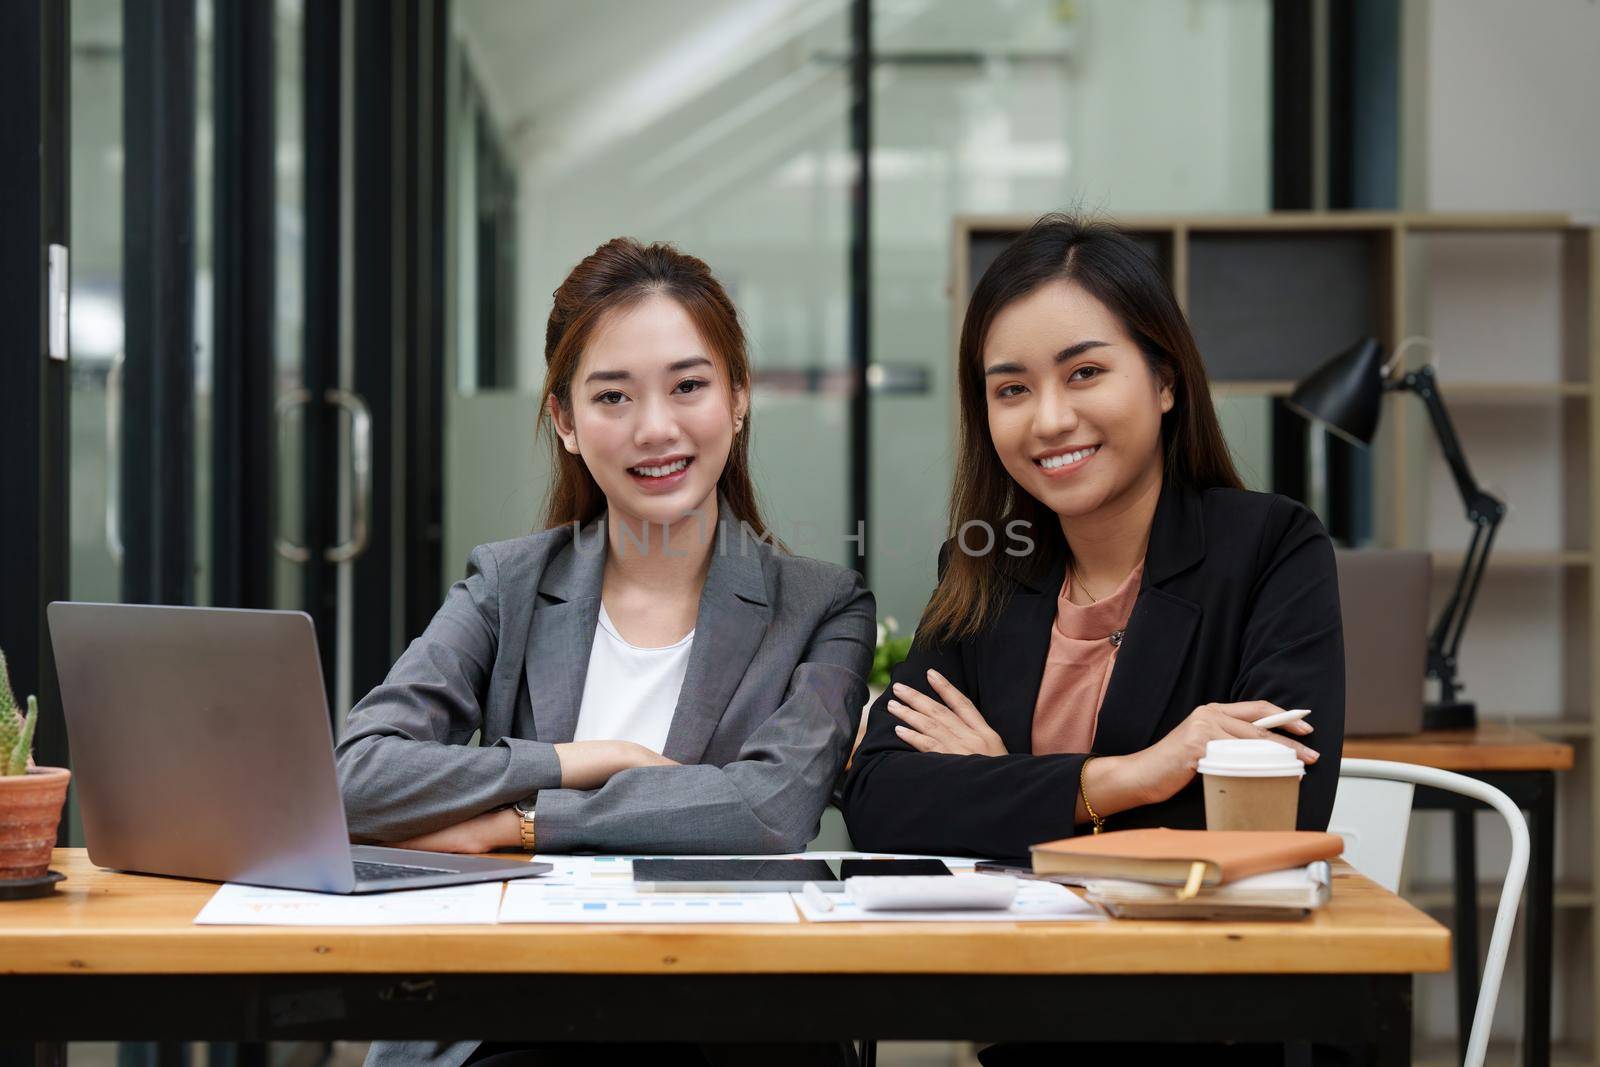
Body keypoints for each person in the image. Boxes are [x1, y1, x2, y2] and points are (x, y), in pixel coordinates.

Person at [336, 237, 874, 1067]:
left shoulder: (823, 605)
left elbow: (767, 811)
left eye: (689, 386)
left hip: (732, 1014)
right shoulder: (506, 584)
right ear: (566, 420)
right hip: (521, 1008)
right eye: (613, 396)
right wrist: (576, 758)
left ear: (737, 397)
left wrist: (516, 826)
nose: (655, 428)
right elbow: (355, 776)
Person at [841, 213, 1343, 867]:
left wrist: (1007, 781)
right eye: (1012, 389)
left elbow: (1275, 815)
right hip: (1006, 957)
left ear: (1164, 380)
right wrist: (1125, 777)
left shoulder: (1270, 549)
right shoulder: (986, 567)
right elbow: (880, 798)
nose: (1050, 419)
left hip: (1194, 957)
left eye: (1084, 373)